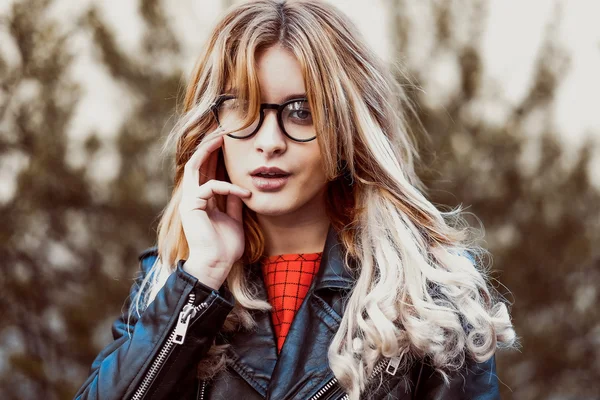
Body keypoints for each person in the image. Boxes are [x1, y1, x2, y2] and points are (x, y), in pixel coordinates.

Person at [74, 0, 516, 399]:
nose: (269, 142)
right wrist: (202, 278)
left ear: (348, 129)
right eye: (243, 107)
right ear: (211, 125)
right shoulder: (170, 281)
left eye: (302, 111)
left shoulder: (430, 295)